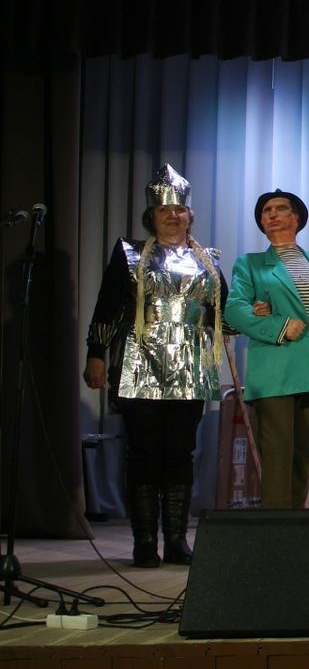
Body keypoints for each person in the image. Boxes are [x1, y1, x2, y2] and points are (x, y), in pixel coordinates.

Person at [83, 163, 227, 567]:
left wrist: (250, 315)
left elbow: (221, 312)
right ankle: (145, 541)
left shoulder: (207, 260)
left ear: (189, 214)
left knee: (180, 453)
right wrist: (96, 352)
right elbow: (108, 306)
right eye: (164, 210)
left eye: (179, 209)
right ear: (152, 215)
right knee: (144, 452)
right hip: (140, 364)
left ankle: (177, 540)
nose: (172, 215)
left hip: (190, 367)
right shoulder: (129, 255)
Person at [225, 189, 309, 509]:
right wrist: (278, 325)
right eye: (267, 211)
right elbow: (234, 310)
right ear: (261, 222)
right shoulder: (250, 264)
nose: (273, 214)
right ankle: (275, 528)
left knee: (303, 456)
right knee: (277, 454)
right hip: (276, 371)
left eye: (281, 208)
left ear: (296, 217)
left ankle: (296, 525)